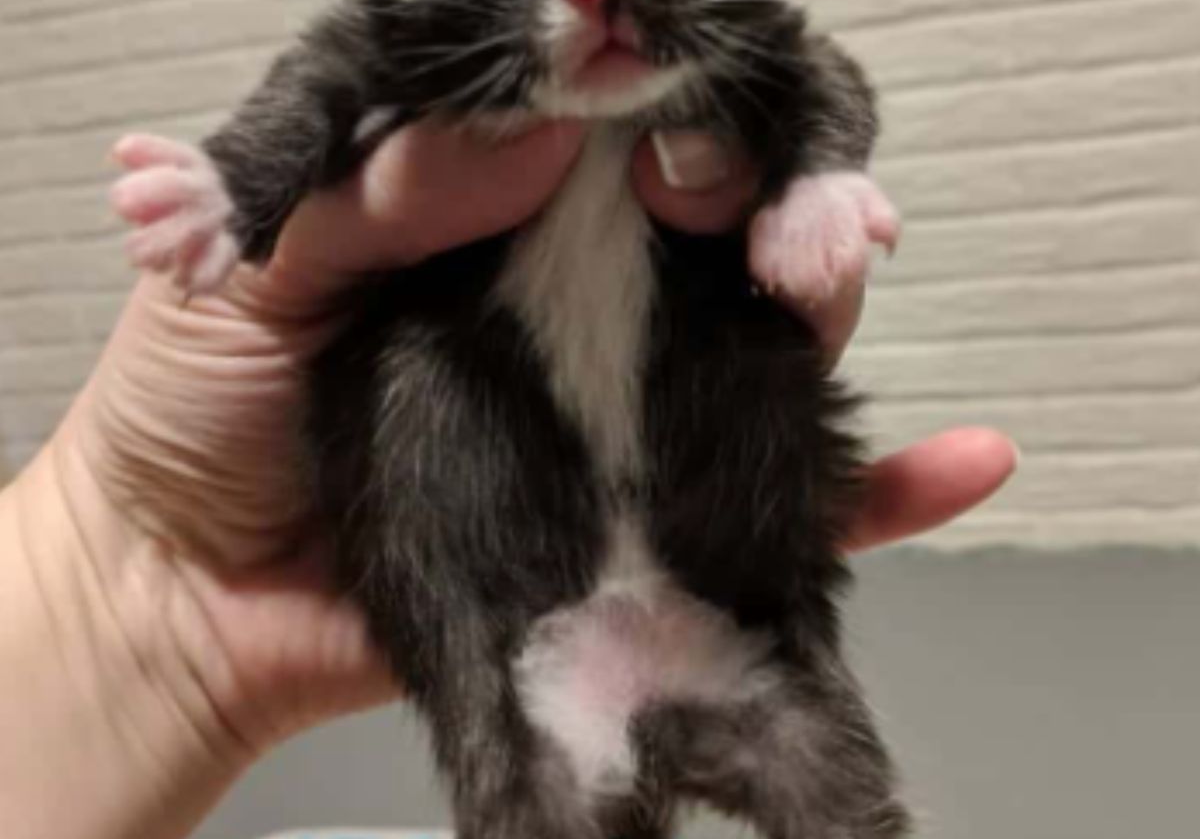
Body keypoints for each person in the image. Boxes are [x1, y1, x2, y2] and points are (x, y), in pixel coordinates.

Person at [0, 122, 1016, 839]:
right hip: (506, 609)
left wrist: (818, 177)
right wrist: (249, 185)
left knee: (838, 798)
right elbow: (326, 87)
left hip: (718, 577)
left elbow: (818, 90)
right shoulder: (425, 88)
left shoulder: (726, 61)